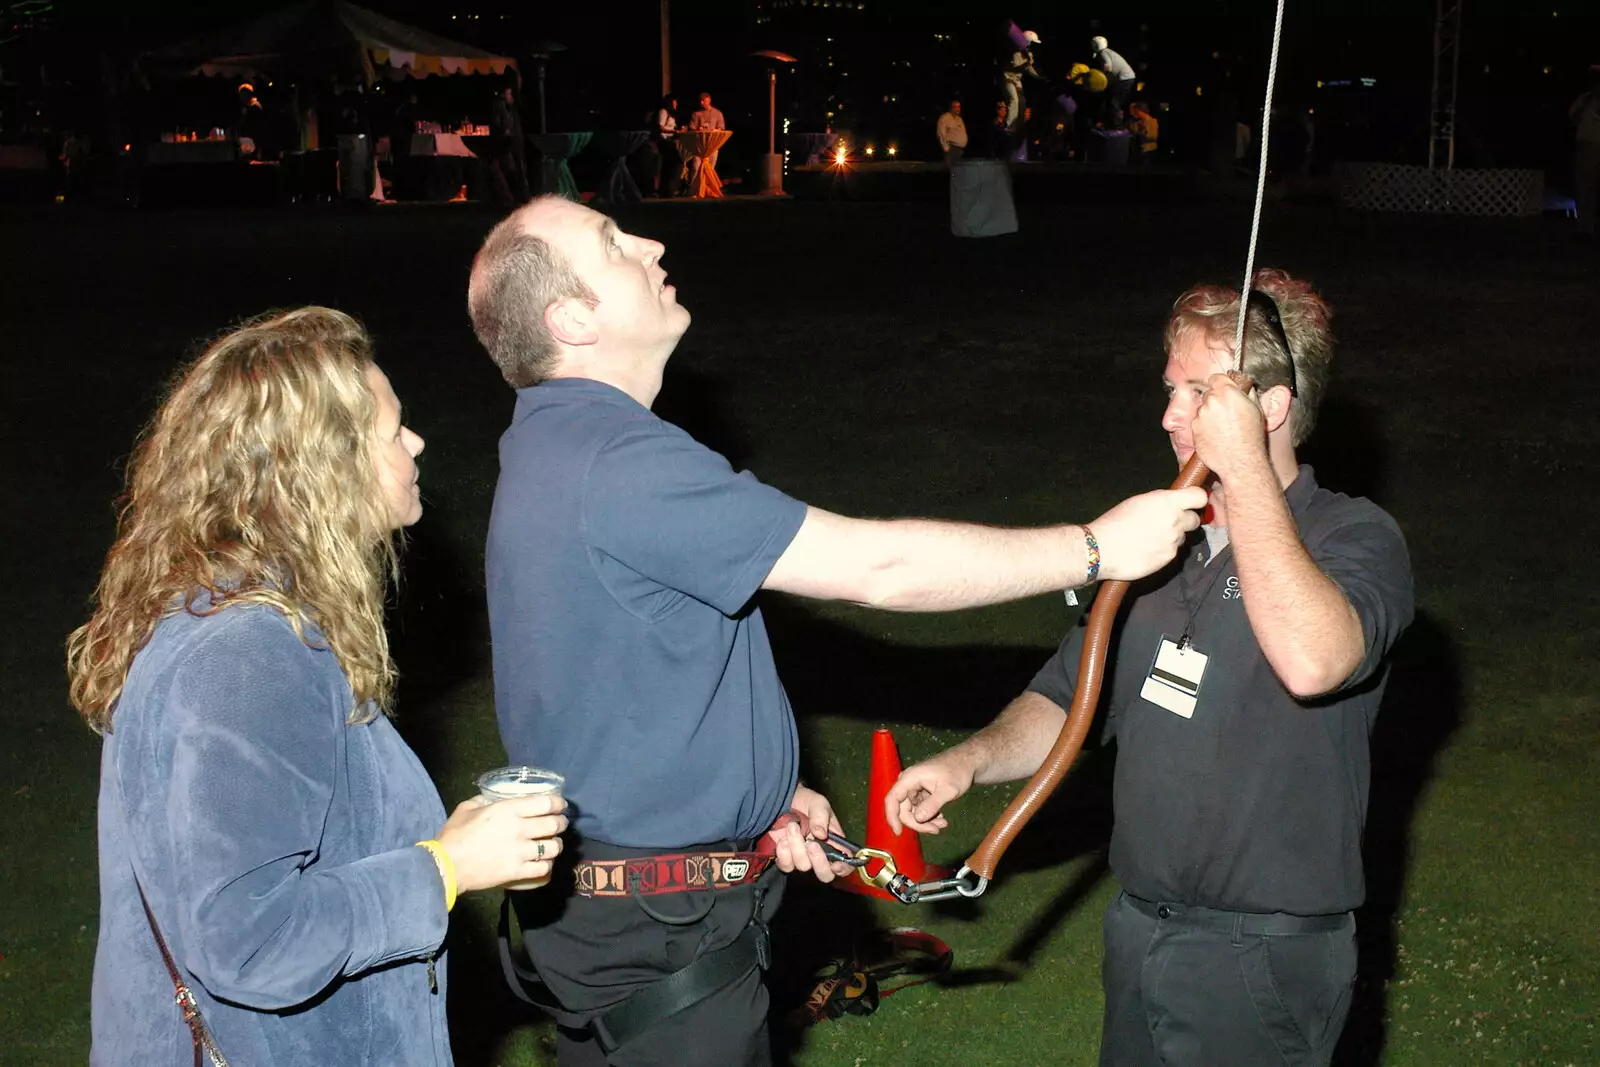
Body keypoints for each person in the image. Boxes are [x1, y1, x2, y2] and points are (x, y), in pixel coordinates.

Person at [465, 197, 1206, 1067]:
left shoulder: (563, 447)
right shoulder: (617, 464)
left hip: (636, 908)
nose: (652, 243)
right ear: (570, 317)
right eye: (614, 245)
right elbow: (876, 569)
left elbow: (612, 675)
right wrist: (1095, 547)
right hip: (659, 934)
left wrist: (755, 803)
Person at [887, 270, 1414, 1067]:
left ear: (1267, 409)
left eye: (1197, 395)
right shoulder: (1155, 545)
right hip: (1141, 928)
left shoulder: (1355, 537)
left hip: (1261, 955)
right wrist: (968, 762)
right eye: (1171, 391)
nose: (1170, 417)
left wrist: (1241, 476)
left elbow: (1314, 662)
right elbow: (1071, 695)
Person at [71, 307, 571, 1066]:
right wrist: (447, 866)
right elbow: (250, 937)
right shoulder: (247, 652)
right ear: (326, 467)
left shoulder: (220, 608)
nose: (417, 444)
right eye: (394, 430)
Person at [1569, 65, 1600, 240]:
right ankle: (1586, 228)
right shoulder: (1583, 99)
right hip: (1586, 146)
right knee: (1585, 187)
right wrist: (1586, 105)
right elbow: (1572, 121)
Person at [489, 84, 530, 205]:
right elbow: (501, 124)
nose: (510, 97)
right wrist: (505, 131)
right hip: (508, 143)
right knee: (512, 169)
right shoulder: (500, 106)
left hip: (514, 141)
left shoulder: (511, 109)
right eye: (508, 94)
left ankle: (520, 196)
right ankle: (514, 196)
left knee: (518, 169)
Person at [1092, 36, 1138, 126]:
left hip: (1124, 79)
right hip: (1127, 78)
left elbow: (1107, 67)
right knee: (1117, 101)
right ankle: (1121, 122)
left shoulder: (1104, 53)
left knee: (1113, 102)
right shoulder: (1108, 51)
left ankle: (1116, 126)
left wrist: (1101, 76)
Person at [644, 94, 681, 197]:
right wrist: (674, 131)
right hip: (664, 140)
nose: (676, 104)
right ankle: (669, 188)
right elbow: (660, 127)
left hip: (669, 140)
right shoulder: (663, 112)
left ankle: (668, 189)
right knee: (676, 162)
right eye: (674, 102)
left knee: (669, 164)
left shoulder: (670, 114)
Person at [936, 98, 968, 165]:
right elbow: (941, 133)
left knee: (958, 171)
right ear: (951, 107)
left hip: (960, 150)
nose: (957, 109)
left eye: (959, 107)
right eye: (955, 107)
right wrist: (946, 148)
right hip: (952, 149)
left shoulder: (959, 119)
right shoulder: (945, 118)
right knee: (952, 170)